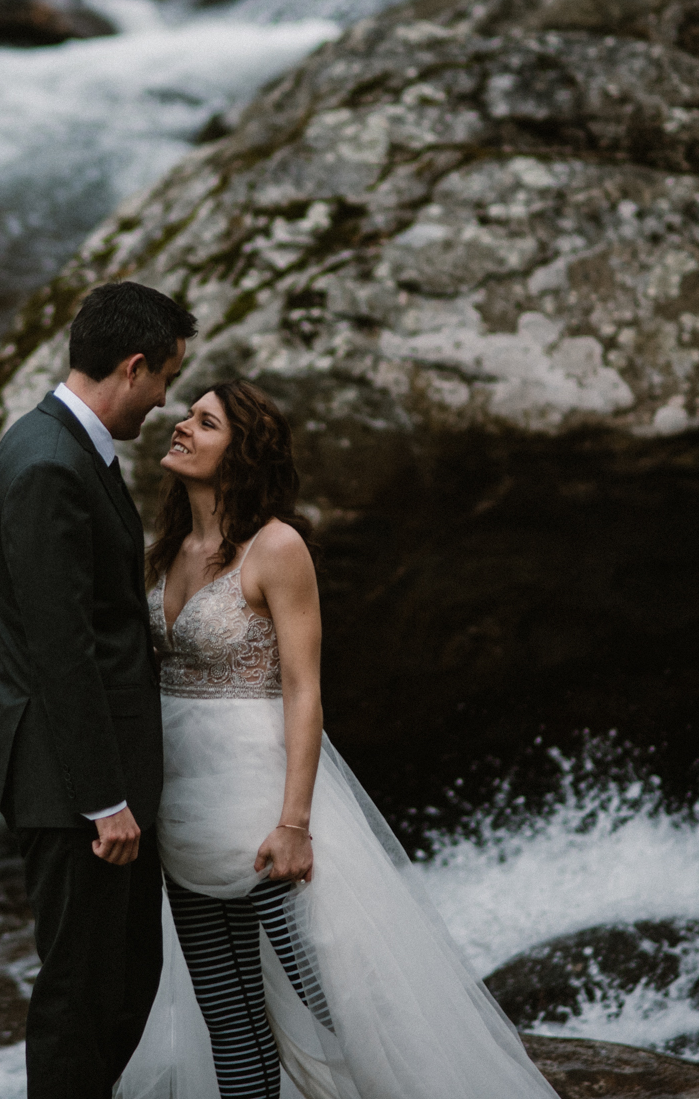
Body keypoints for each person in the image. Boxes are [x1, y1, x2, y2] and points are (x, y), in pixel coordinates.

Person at [117, 379, 562, 1099]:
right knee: (231, 1021)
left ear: (243, 451)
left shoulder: (278, 546)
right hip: (184, 814)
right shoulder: (167, 547)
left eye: (205, 422)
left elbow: (304, 690)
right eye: (185, 415)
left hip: (263, 809)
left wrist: (294, 823)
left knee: (345, 1009)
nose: (181, 427)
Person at [0, 279, 197, 1099]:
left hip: (88, 779)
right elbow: (60, 650)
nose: (166, 398)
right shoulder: (46, 465)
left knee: (124, 977)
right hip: (72, 787)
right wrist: (104, 799)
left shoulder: (62, 449)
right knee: (81, 993)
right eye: (167, 376)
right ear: (133, 366)